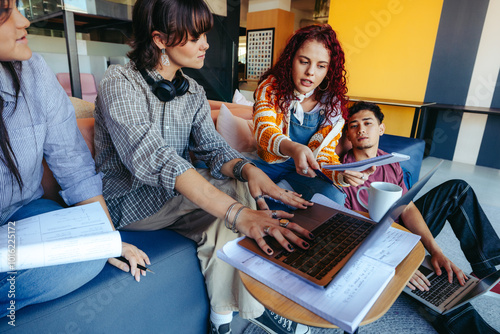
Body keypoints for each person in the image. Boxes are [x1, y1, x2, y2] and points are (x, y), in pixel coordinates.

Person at [93, 0, 314, 333]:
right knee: (232, 202)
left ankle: (222, 320)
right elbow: (151, 158)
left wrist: (251, 171)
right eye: (195, 37)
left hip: (173, 201)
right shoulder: (119, 82)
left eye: (205, 35)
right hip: (132, 205)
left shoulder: (192, 91)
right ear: (159, 39)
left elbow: (214, 150)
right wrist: (239, 212)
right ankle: (261, 305)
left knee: (236, 192)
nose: (206, 44)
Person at [0, 0, 148, 318]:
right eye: (4, 13)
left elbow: (74, 164)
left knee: (89, 253)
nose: (24, 22)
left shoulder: (34, 71)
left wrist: (108, 239)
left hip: (22, 214)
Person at [342, 101, 500, 334]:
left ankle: (488, 268)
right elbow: (349, 231)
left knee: (458, 188)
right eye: (354, 126)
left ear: (381, 129)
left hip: (401, 229)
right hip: (373, 243)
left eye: (368, 123)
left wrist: (436, 250)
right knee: (438, 289)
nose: (361, 130)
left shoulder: (390, 161)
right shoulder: (343, 172)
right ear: (348, 133)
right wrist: (395, 264)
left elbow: (407, 208)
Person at [251, 24, 372, 206]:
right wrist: (294, 149)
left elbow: (323, 156)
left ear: (329, 70)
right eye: (304, 61)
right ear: (291, 60)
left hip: (304, 173)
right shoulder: (271, 87)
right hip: (267, 166)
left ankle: (278, 197)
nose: (311, 72)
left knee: (335, 197)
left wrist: (342, 175)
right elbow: (264, 131)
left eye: (321, 66)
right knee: (225, 180)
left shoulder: (332, 104)